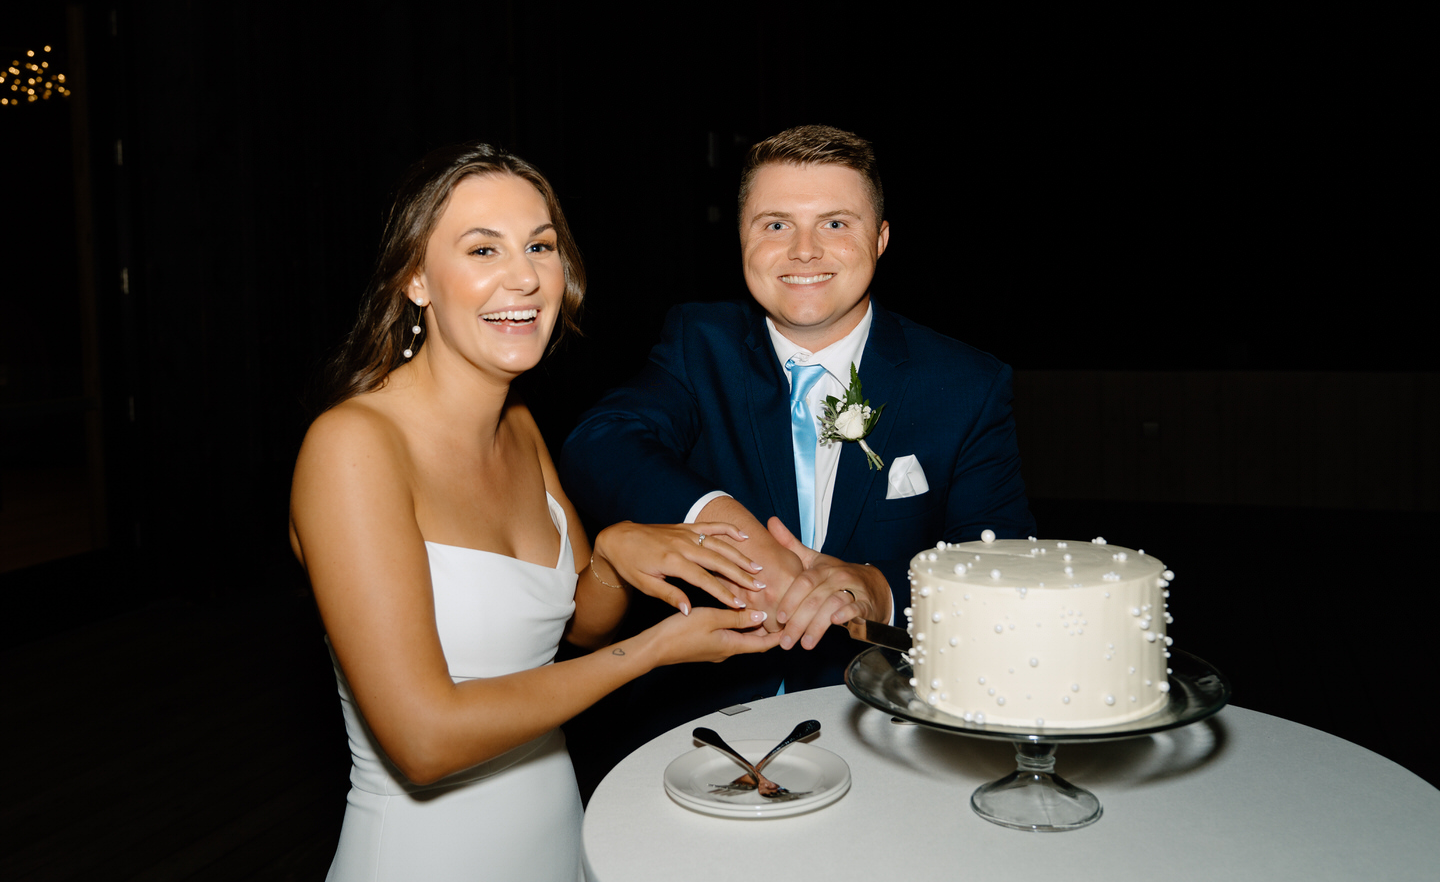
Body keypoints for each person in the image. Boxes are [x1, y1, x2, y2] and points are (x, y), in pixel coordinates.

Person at [288, 142, 780, 882]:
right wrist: (650, 653)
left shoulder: (517, 426)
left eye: (540, 246)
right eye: (483, 248)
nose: (523, 276)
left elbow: (581, 622)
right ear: (415, 279)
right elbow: (423, 741)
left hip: (555, 833)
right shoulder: (352, 447)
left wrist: (613, 554)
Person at [559, 124, 1035, 766]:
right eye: (776, 224)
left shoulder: (966, 384)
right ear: (742, 239)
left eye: (836, 223)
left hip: (890, 734)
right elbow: (601, 439)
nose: (804, 250)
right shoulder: (700, 344)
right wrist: (729, 525)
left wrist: (881, 588)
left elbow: (1002, 567)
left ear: (882, 238)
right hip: (709, 733)